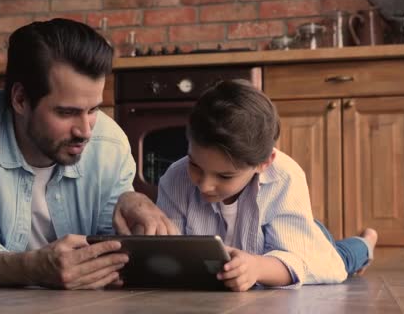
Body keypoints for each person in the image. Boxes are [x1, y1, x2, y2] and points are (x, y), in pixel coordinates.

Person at [0, 18, 177, 289]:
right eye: (66, 112)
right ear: (20, 99)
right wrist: (35, 268)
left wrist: (133, 215)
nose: (85, 131)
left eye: (93, 110)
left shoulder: (111, 143)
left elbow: (111, 249)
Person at [156, 79, 377, 292]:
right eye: (195, 165)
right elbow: (168, 251)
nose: (204, 186)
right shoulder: (174, 178)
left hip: (294, 231)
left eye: (224, 176)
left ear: (264, 163)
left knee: (340, 259)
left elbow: (299, 261)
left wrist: (257, 268)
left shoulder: (285, 177)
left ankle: (367, 241)